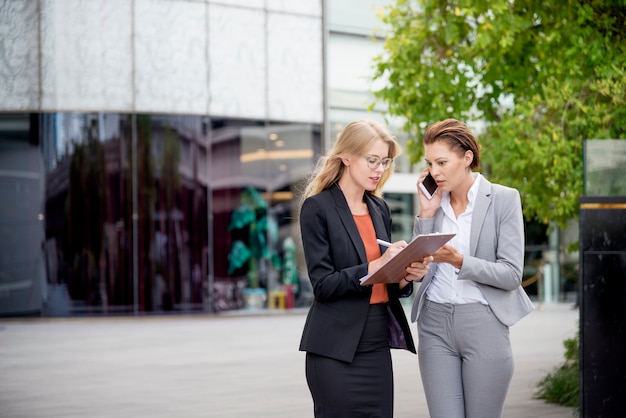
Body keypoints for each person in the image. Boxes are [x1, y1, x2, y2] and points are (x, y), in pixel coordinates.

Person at [298, 119, 430, 418]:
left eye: (384, 162)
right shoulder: (317, 208)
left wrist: (405, 274)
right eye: (372, 160)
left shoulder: (379, 209)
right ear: (346, 156)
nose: (379, 169)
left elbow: (386, 280)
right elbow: (323, 285)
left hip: (375, 343)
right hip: (335, 348)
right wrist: (375, 265)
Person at [407, 118, 535, 418]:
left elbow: (511, 274)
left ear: (467, 158)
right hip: (434, 323)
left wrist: (459, 261)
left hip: (484, 323)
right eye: (429, 163)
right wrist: (425, 213)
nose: (434, 172)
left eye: (442, 162)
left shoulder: (504, 199)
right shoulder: (434, 203)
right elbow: (417, 265)